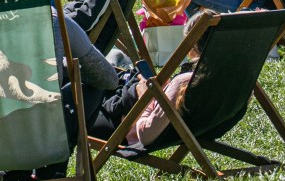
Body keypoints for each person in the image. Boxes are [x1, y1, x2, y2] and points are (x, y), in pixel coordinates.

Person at [0, 0, 117, 181]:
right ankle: (52, 170)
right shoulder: (56, 21)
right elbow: (108, 78)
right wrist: (65, 69)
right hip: (45, 135)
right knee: (90, 85)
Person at [88, 12, 209, 146]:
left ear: (192, 47)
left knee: (88, 94)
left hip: (125, 123)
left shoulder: (184, 82)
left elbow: (146, 134)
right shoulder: (222, 77)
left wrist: (144, 97)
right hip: (177, 125)